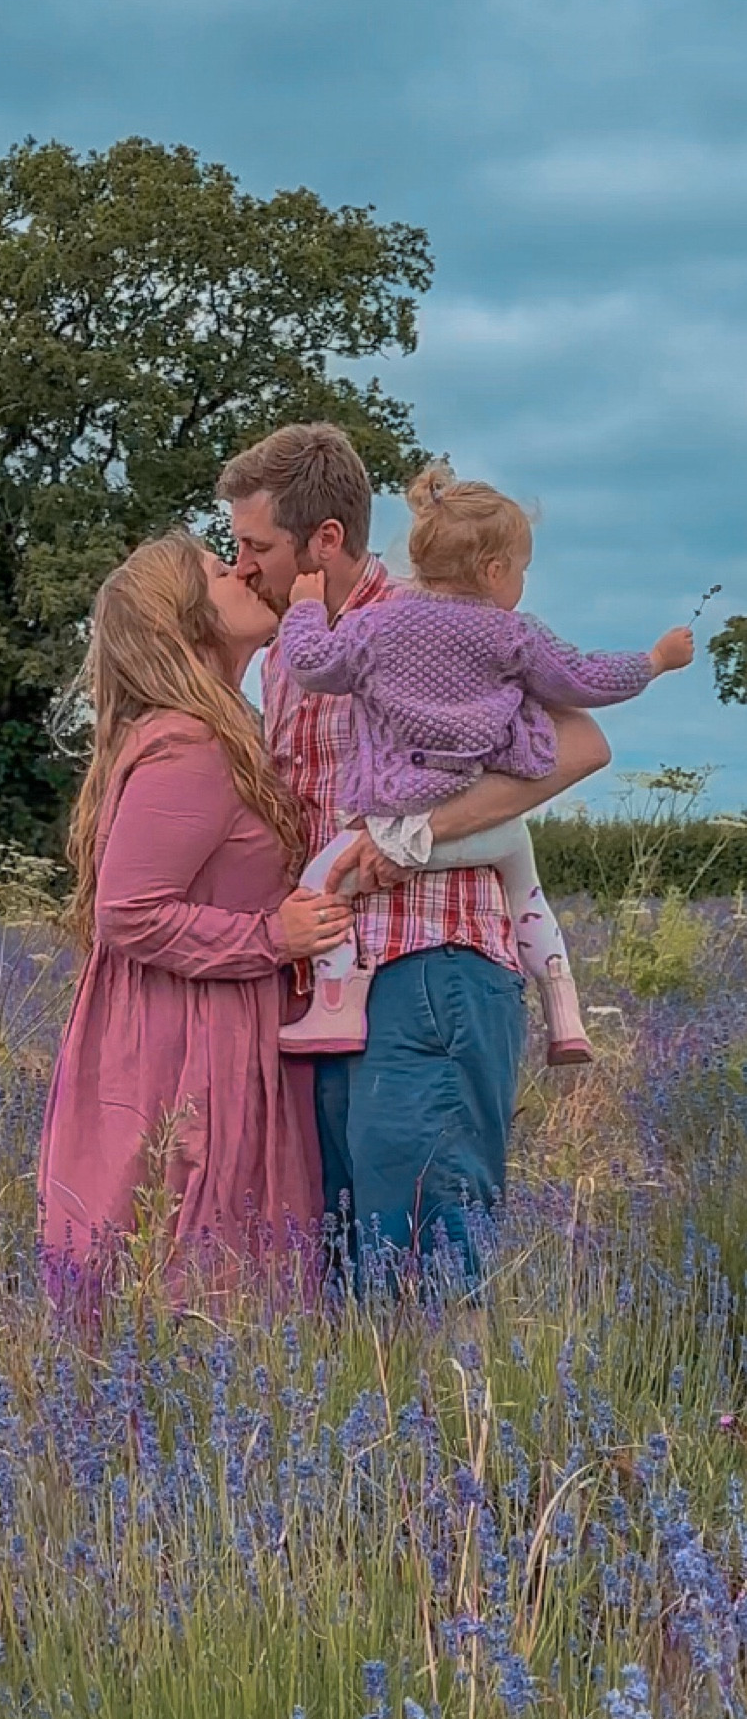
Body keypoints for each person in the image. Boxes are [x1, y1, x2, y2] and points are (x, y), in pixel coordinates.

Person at [220, 423, 615, 1281]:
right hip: (334, 974)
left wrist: (419, 834)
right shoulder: (294, 652)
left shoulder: (427, 618)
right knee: (351, 1248)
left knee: (427, 1251)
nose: (242, 562)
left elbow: (581, 745)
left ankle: (457, 1416)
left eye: (256, 545)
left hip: (430, 958)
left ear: (324, 541)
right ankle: (383, 1415)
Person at [276, 460, 694, 1064]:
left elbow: (312, 665)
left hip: (397, 820)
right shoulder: (512, 635)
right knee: (527, 892)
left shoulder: (375, 627)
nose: (521, 582)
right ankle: (565, 1017)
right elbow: (584, 680)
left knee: (323, 882)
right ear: (494, 571)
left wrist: (305, 608)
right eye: (522, 570)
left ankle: (336, 1008)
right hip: (488, 818)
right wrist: (655, 660)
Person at [37, 530, 350, 1273]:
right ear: (183, 618)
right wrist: (272, 937)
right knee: (193, 1256)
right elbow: (129, 910)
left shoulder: (222, 728)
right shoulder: (189, 743)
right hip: (189, 1033)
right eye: (219, 568)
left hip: (206, 1015)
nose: (243, 569)